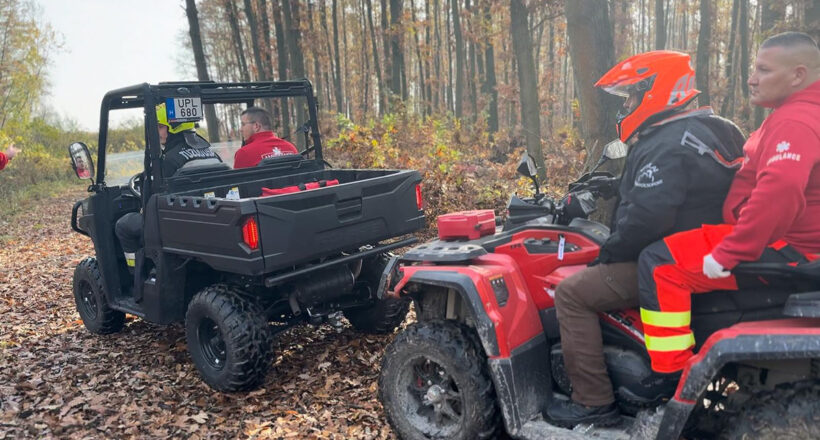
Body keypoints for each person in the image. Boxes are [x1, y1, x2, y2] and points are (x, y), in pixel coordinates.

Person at [546, 51, 746, 428]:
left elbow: (646, 220)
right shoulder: (720, 128)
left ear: (657, 91)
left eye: (633, 97)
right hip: (714, 249)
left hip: (669, 256)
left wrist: (606, 254)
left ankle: (592, 402)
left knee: (572, 293)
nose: (628, 107)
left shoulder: (662, 142)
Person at [636, 32, 820, 385]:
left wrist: (730, 252)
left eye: (763, 70)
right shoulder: (801, 112)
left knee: (658, 263)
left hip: (785, 246)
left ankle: (671, 380)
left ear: (797, 75)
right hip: (798, 243)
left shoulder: (794, 120)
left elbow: (781, 188)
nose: (751, 79)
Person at [115, 104, 222, 267]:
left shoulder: (168, 161)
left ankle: (136, 271)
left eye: (159, 127)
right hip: (209, 215)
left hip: (177, 225)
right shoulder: (211, 153)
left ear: (173, 128)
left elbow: (149, 199)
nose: (156, 132)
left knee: (124, 225)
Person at [233, 107, 298, 168]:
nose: (240, 129)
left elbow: (235, 180)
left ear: (256, 126)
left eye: (243, 124)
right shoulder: (291, 148)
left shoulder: (244, 153)